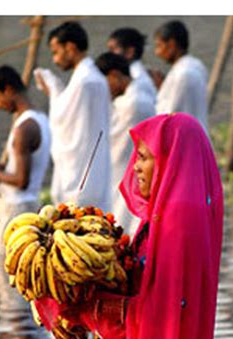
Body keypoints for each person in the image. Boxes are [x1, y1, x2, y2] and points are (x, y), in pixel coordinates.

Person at [35, 113, 224, 339]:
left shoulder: (179, 217)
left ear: (172, 162)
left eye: (144, 157)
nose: (135, 166)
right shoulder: (167, 214)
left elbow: (157, 313)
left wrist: (85, 308)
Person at [0, 65, 51, 296]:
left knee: (12, 277)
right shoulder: (39, 118)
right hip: (26, 206)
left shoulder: (24, 128)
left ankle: (16, 327)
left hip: (17, 209)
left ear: (9, 90)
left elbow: (21, 180)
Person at [35, 21, 112, 211]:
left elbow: (64, 119)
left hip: (81, 177)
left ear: (70, 47)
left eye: (55, 52)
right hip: (95, 175)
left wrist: (53, 89)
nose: (54, 59)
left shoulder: (86, 81)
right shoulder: (92, 77)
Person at [95, 52, 155, 236]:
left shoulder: (132, 103)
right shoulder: (138, 96)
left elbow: (109, 137)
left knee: (126, 221)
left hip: (127, 169)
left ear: (114, 75)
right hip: (130, 169)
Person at [154, 20, 209, 133]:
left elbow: (171, 114)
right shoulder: (195, 66)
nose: (157, 52)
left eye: (159, 46)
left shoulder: (184, 74)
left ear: (172, 45)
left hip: (186, 142)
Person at [107, 27, 158, 104]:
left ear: (129, 52)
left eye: (113, 49)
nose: (109, 54)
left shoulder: (136, 76)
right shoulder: (140, 73)